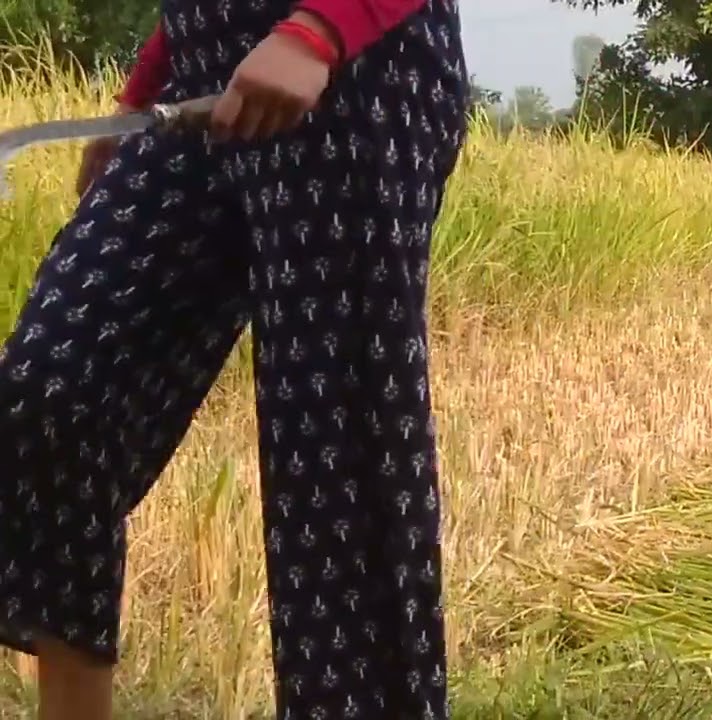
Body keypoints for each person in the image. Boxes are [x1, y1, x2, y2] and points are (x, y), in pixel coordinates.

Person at [0, 1, 467, 718]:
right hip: (204, 84)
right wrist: (143, 89)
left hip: (356, 73)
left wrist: (320, 30)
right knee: (55, 392)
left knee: (335, 467)